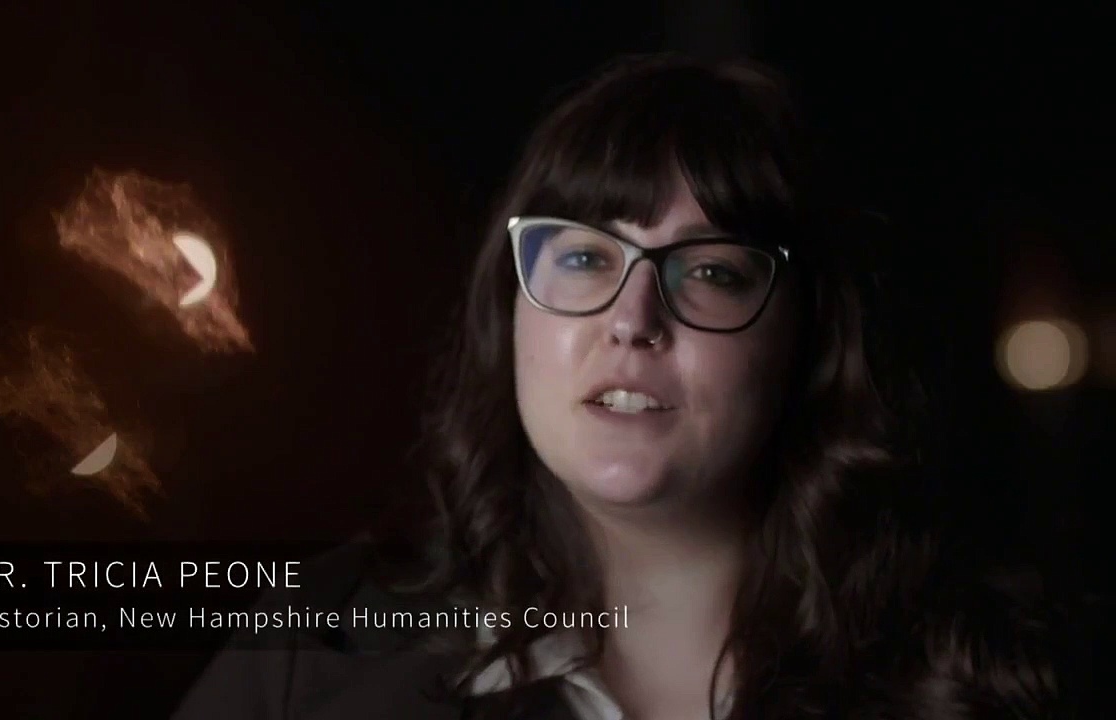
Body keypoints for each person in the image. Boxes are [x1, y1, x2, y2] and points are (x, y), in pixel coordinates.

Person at [174, 53, 1084, 720]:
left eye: (710, 272)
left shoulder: (991, 676)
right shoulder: (318, 652)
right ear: (511, 315)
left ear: (808, 342)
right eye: (583, 256)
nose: (632, 317)